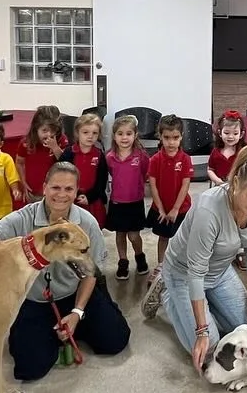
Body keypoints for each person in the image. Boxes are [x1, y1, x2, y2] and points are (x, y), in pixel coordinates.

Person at [0, 162, 129, 381]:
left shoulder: (86, 222)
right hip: (34, 300)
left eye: (69, 189)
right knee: (30, 368)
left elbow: (91, 273)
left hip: (74, 293)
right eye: (55, 187)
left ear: (77, 191)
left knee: (115, 340)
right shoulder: (22, 218)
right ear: (44, 187)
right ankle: (52, 333)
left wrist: (77, 313)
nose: (62, 194)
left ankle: (75, 325)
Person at [141, 145, 247, 374]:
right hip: (185, 273)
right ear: (235, 184)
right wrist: (202, 331)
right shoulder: (209, 208)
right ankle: (166, 292)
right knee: (210, 346)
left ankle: (206, 302)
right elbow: (196, 272)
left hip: (220, 270)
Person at [146, 114, 194, 272]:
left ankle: (181, 267)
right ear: (160, 136)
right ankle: (161, 266)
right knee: (163, 237)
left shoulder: (186, 159)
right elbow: (153, 186)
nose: (171, 142)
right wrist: (160, 208)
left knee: (183, 239)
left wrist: (175, 209)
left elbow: (185, 185)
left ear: (181, 137)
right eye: (166, 137)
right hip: (161, 209)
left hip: (181, 209)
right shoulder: (154, 160)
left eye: (175, 137)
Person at [105, 114, 150, 280]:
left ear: (135, 135)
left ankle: (140, 255)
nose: (124, 137)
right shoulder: (109, 157)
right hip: (117, 202)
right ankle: (123, 261)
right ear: (114, 136)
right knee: (120, 234)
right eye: (120, 133)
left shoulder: (141, 156)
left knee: (133, 235)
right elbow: (111, 174)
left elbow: (146, 173)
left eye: (129, 133)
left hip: (135, 202)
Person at [59, 113, 108, 228]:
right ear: (77, 133)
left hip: (93, 201)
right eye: (85, 132)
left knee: (93, 230)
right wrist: (73, 194)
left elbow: (102, 181)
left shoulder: (99, 155)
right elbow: (60, 176)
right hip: (71, 199)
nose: (90, 136)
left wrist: (90, 197)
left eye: (94, 133)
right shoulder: (68, 153)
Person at [15, 108, 67, 204]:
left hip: (55, 193)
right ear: (36, 129)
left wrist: (55, 148)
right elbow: (19, 162)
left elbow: (66, 163)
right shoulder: (26, 143)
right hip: (34, 193)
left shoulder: (61, 140)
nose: (49, 134)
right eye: (44, 130)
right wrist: (23, 182)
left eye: (53, 130)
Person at [207, 110, 245, 186]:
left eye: (235, 133)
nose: (230, 136)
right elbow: (210, 169)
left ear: (241, 134)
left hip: (238, 188)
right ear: (220, 133)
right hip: (219, 187)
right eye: (227, 133)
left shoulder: (242, 152)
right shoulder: (215, 152)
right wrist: (217, 180)